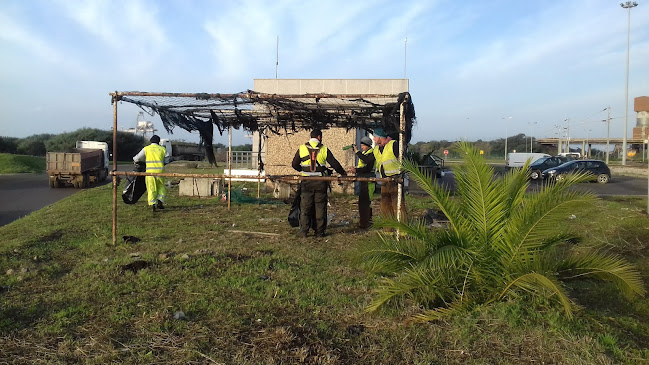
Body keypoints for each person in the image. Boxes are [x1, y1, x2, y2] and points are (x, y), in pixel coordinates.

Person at [292, 129, 347, 237]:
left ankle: (304, 231)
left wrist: (303, 171)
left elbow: (294, 164)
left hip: (307, 182)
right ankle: (319, 232)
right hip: (320, 183)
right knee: (320, 207)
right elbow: (335, 164)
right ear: (319, 137)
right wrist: (343, 173)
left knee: (305, 207)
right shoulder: (324, 149)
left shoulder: (302, 148)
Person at [372, 128, 407, 221]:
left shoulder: (393, 145)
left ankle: (403, 230)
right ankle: (388, 230)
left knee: (398, 204)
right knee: (385, 205)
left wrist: (401, 174)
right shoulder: (376, 149)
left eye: (375, 137)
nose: (374, 139)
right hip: (384, 180)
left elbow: (403, 160)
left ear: (380, 137)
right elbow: (370, 161)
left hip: (395, 179)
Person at [133, 135, 167, 211]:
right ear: (158, 141)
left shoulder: (146, 149)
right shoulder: (162, 149)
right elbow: (167, 158)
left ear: (151, 141)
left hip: (150, 172)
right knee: (161, 186)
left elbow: (136, 158)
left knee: (151, 187)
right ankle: (160, 201)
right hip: (160, 172)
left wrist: (138, 162)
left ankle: (153, 205)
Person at [348, 136, 376, 229]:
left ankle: (365, 223)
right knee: (364, 202)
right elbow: (363, 164)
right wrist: (356, 169)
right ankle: (367, 222)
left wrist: (357, 152)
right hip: (363, 179)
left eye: (363, 145)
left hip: (368, 180)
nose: (362, 147)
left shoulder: (371, 153)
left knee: (365, 202)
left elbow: (367, 164)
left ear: (368, 145)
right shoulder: (365, 153)